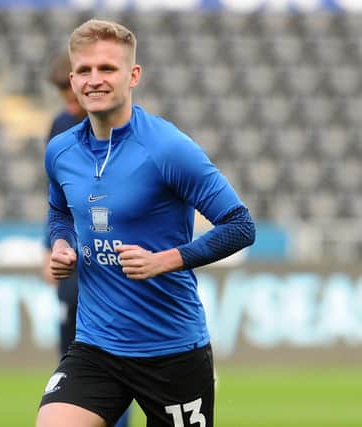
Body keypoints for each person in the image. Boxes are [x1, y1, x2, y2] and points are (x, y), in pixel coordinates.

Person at [37, 19, 255, 427]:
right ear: (72, 78)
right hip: (96, 346)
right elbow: (59, 210)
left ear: (133, 75)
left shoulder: (167, 148)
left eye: (107, 69)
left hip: (170, 351)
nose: (94, 80)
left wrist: (166, 260)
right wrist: (61, 243)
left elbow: (240, 225)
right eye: (84, 70)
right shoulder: (61, 151)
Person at [41, 49, 131, 427]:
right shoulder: (61, 127)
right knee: (74, 358)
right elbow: (56, 198)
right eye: (64, 94)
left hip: (110, 260)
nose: (69, 104)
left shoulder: (120, 128)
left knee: (118, 361)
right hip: (75, 266)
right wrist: (50, 246)